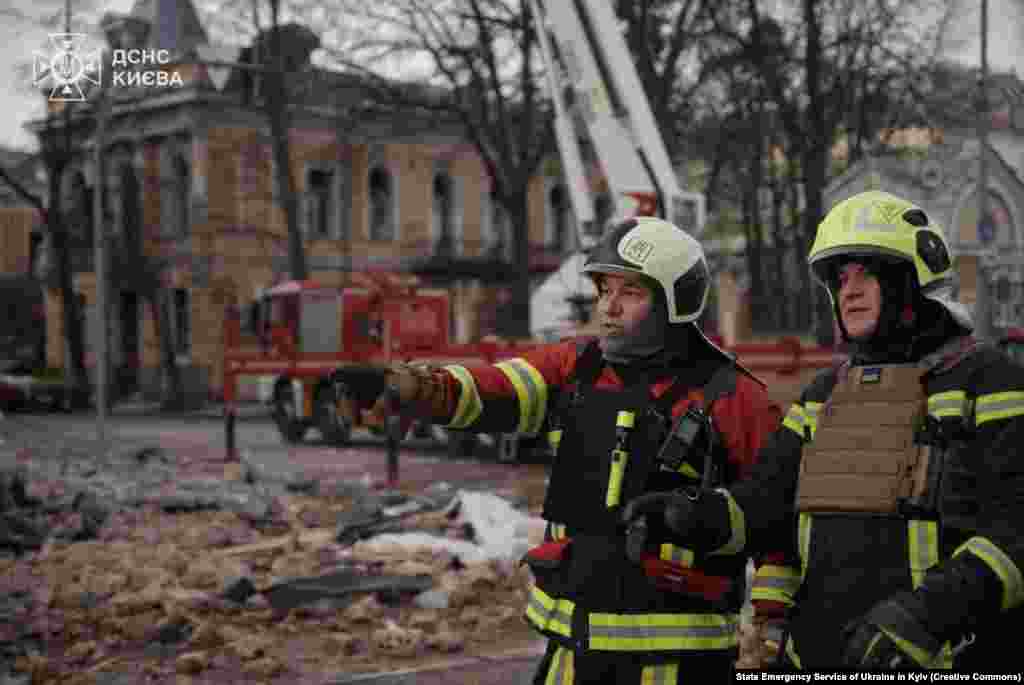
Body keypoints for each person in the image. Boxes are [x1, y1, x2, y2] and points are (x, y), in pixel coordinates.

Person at [364, 217, 784, 682]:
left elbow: (778, 525)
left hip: (679, 666)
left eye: (631, 293)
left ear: (676, 303)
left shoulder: (736, 400)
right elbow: (496, 389)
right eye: (604, 290)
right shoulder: (576, 368)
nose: (608, 308)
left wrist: (769, 628)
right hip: (570, 657)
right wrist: (416, 389)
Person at [623, 190, 1024, 669]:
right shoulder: (822, 395)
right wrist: (686, 515)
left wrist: (925, 618)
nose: (848, 290)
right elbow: (763, 507)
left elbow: (1014, 534)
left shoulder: (990, 381)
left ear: (910, 279)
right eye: (839, 277)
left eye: (867, 272)